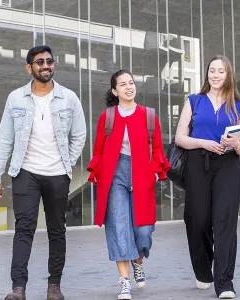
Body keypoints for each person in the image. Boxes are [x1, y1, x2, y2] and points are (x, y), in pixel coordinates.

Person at [0, 45, 86, 300]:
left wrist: (67, 161)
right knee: (24, 228)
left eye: (49, 61)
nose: (46, 66)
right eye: (39, 62)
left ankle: (54, 285)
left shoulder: (69, 97)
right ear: (29, 67)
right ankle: (18, 288)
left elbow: (79, 134)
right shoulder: (15, 98)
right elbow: (4, 140)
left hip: (58, 173)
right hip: (25, 171)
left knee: (57, 229)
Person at [87, 70, 170, 300]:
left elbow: (158, 150)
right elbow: (99, 150)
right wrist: (101, 173)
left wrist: (153, 174)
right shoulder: (108, 116)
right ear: (115, 91)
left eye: (131, 83)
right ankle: (124, 282)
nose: (128, 87)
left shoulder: (149, 116)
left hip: (142, 173)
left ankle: (138, 261)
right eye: (122, 84)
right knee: (119, 227)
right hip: (115, 175)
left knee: (143, 231)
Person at [175, 55, 240, 299]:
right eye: (212, 71)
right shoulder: (194, 101)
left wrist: (237, 143)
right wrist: (204, 142)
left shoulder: (239, 107)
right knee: (198, 219)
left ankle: (225, 282)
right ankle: (203, 270)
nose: (215, 75)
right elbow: (179, 138)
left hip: (228, 165)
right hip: (198, 162)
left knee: (225, 221)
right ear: (207, 74)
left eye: (221, 71)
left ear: (229, 75)